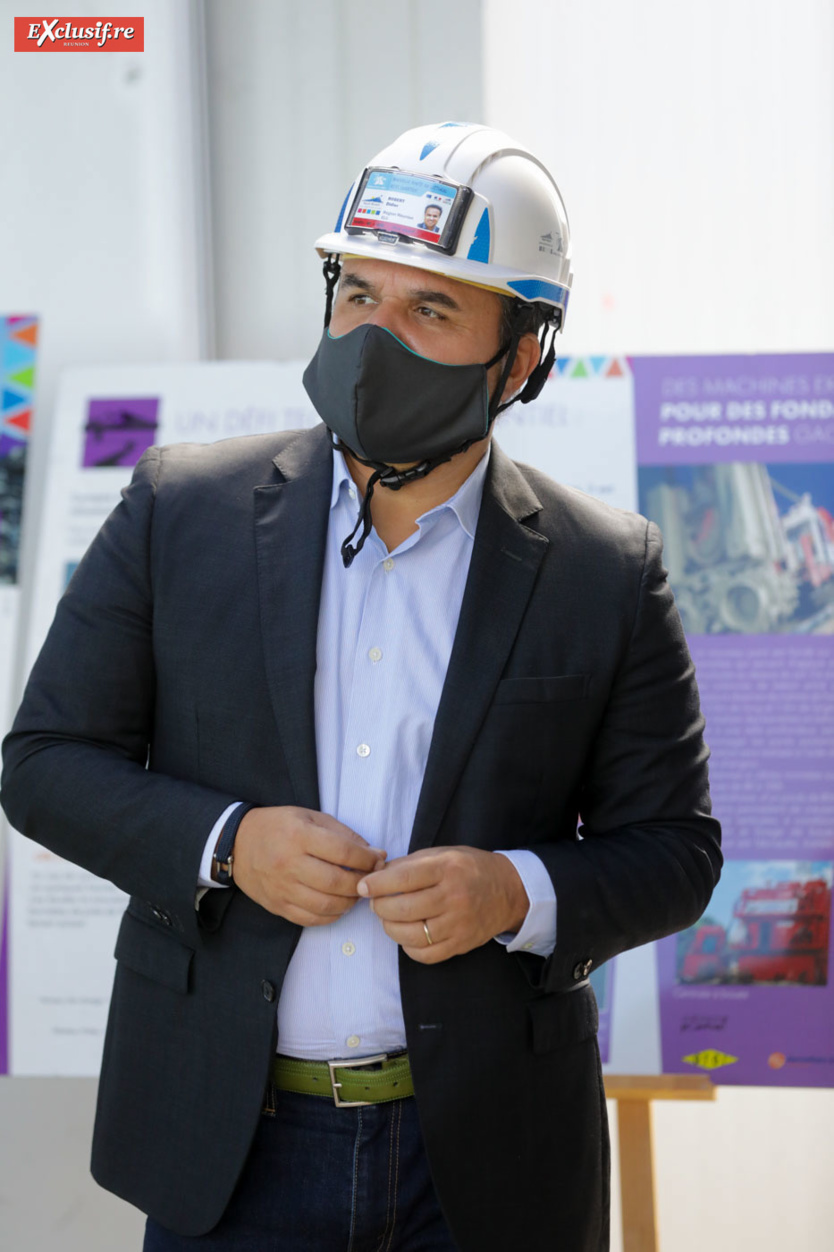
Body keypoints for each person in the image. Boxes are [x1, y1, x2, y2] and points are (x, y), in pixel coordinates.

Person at [1, 121, 721, 1252]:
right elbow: (41, 765)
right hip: (230, 1149)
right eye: (358, 296)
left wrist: (512, 892)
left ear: (520, 356)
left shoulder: (603, 570)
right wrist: (229, 843)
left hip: (486, 1162)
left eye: (430, 310)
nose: (373, 339)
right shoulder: (178, 511)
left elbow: (676, 851)